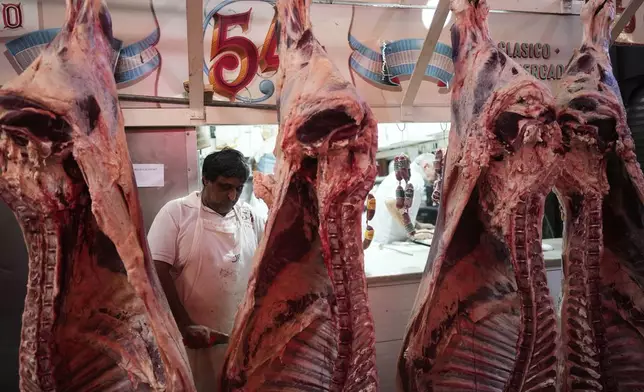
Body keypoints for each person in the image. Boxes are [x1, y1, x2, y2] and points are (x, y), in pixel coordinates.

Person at [147, 148, 265, 392]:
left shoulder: (250, 216)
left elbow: (265, 266)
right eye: (225, 187)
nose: (233, 195)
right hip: (190, 342)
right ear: (206, 181)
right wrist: (184, 323)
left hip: (240, 338)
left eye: (239, 188)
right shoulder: (177, 213)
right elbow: (155, 272)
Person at [369, 153, 436, 244]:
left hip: (383, 240)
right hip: (390, 243)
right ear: (426, 166)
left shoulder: (409, 174)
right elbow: (391, 202)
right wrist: (411, 231)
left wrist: (417, 224)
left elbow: (402, 209)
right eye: (437, 171)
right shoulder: (415, 179)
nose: (438, 177)